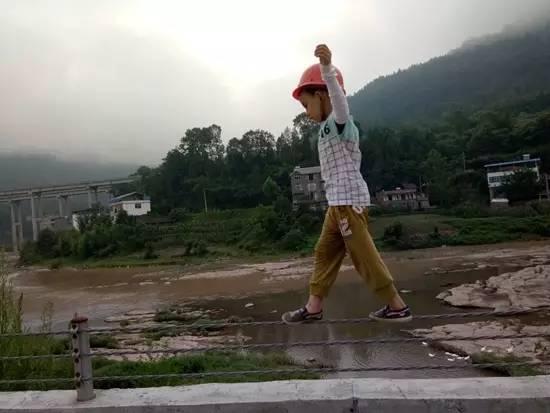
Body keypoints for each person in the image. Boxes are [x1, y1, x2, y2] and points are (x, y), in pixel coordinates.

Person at [282, 44, 412, 324]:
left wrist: (327, 70)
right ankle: (314, 307)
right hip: (336, 204)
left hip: (348, 202)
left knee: (363, 255)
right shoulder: (324, 129)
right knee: (324, 253)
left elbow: (339, 101)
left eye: (306, 104)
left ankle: (397, 306)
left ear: (321, 95)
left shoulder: (340, 121)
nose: (306, 112)